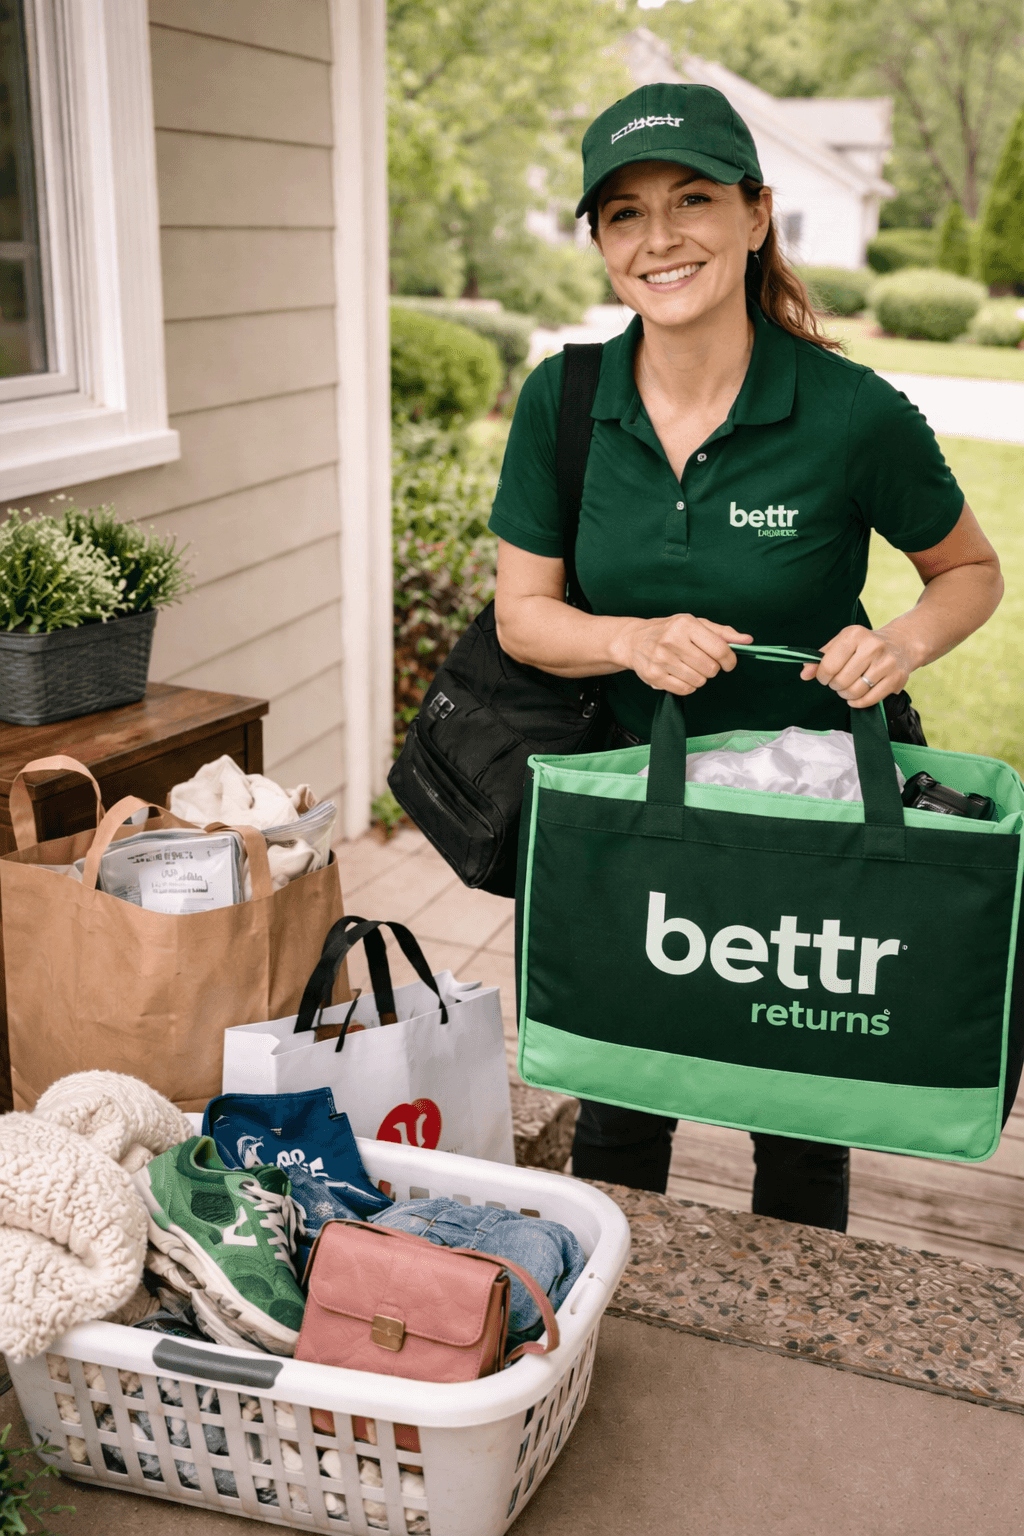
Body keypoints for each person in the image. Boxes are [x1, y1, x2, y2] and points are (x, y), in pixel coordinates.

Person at [488, 82, 1003, 1231]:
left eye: (692, 199)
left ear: (755, 215)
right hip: (629, 810)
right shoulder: (564, 400)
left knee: (801, 1118)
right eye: (624, 213)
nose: (658, 237)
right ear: (600, 240)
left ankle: (800, 1330)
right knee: (619, 1106)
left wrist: (898, 643)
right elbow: (523, 617)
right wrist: (628, 640)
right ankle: (611, 1305)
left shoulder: (851, 412)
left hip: (808, 825)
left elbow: (969, 571)